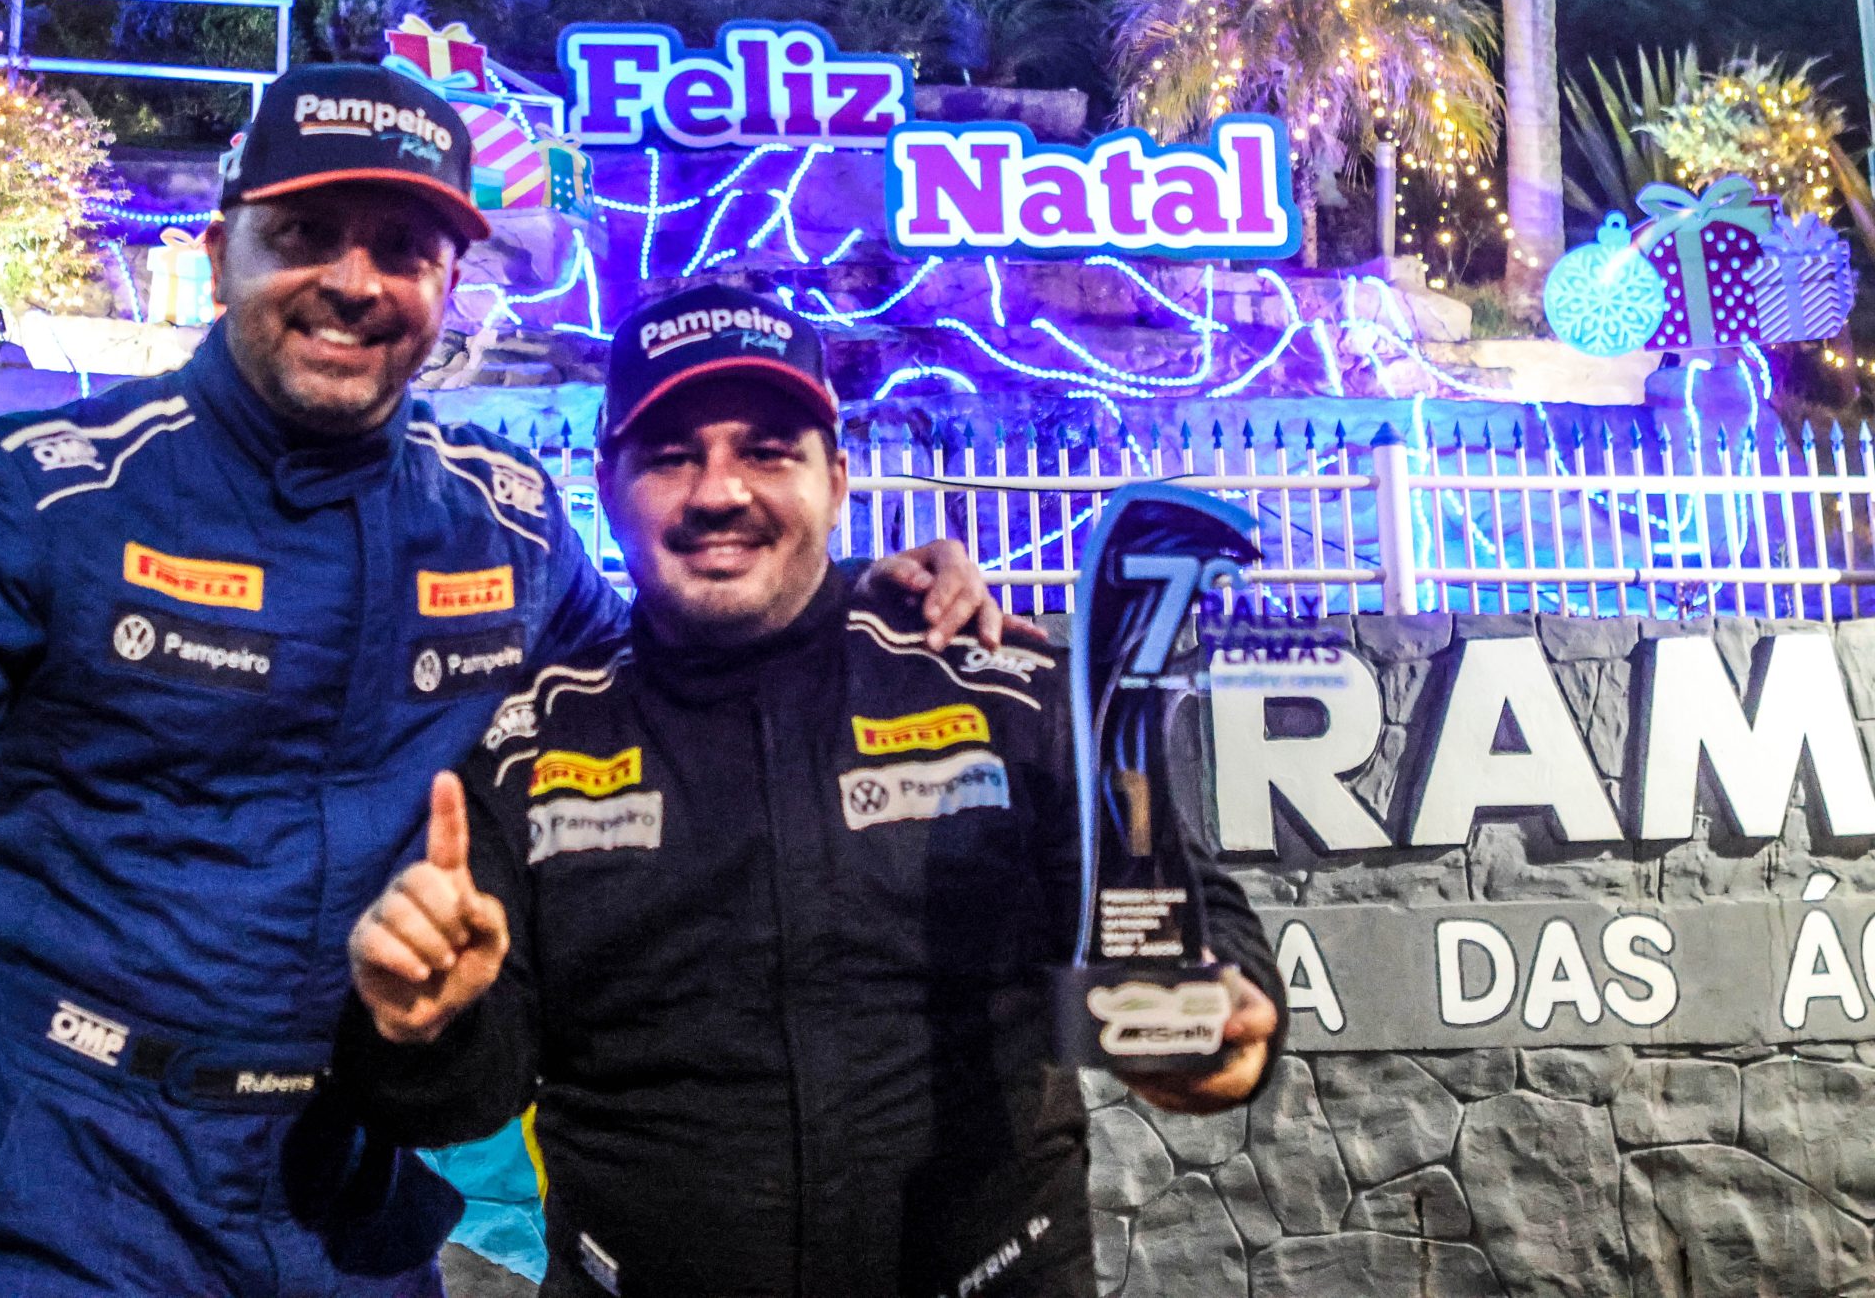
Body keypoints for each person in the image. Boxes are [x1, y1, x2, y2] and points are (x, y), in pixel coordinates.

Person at [0, 68, 1002, 1298]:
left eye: (404, 247)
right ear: (220, 256)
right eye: (305, 234)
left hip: (347, 1176)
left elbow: (653, 682)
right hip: (71, 1157)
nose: (355, 281)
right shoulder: (47, 487)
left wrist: (847, 605)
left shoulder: (502, 521)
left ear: (448, 287)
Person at [338, 281, 1286, 1298]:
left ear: (836, 480)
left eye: (766, 452)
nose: (718, 491)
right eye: (671, 456)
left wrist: (1223, 1032)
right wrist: (418, 1025)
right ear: (607, 487)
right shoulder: (531, 741)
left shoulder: (1004, 693)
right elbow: (453, 1099)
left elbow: (1200, 936)